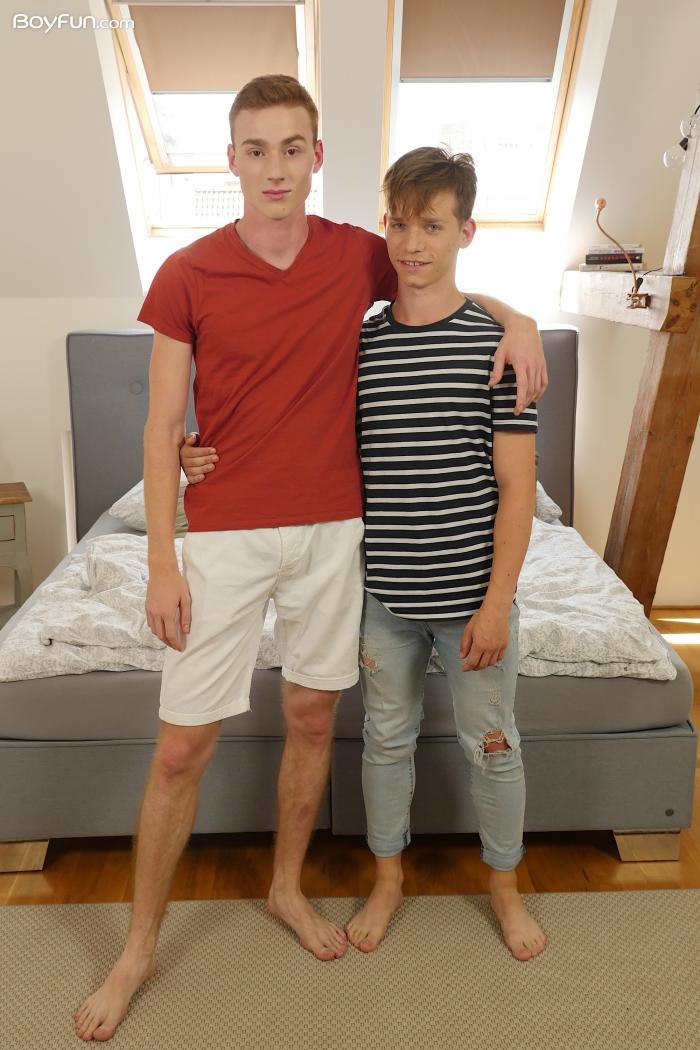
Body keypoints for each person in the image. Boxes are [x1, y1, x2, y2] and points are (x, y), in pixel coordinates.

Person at [75, 76, 546, 1042]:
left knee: (312, 716)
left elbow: (437, 276)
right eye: (256, 149)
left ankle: (287, 888)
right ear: (232, 159)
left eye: (293, 148)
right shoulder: (187, 273)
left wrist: (523, 321)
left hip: (336, 533)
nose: (275, 168)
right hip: (227, 532)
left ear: (316, 156)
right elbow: (163, 426)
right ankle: (136, 950)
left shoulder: (358, 253)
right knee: (180, 747)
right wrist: (161, 559)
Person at [183, 146, 547, 962]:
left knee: (494, 748)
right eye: (400, 224)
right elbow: (289, 418)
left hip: (472, 597)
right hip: (382, 597)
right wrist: (195, 449)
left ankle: (504, 889)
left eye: (433, 226)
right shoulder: (362, 344)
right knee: (385, 742)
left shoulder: (499, 347)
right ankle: (388, 879)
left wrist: (496, 603)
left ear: (465, 232)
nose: (413, 243)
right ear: (384, 225)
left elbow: (518, 489)